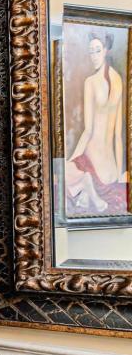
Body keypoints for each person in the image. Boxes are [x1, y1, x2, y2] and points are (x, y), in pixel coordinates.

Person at [64, 30, 127, 216]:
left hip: (94, 164)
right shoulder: (118, 80)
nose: (93, 56)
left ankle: (87, 185)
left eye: (97, 50)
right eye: (91, 51)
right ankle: (88, 193)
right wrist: (119, 171)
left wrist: (71, 160)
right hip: (110, 170)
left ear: (106, 50)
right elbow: (117, 135)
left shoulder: (90, 82)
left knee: (64, 171)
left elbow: (88, 131)